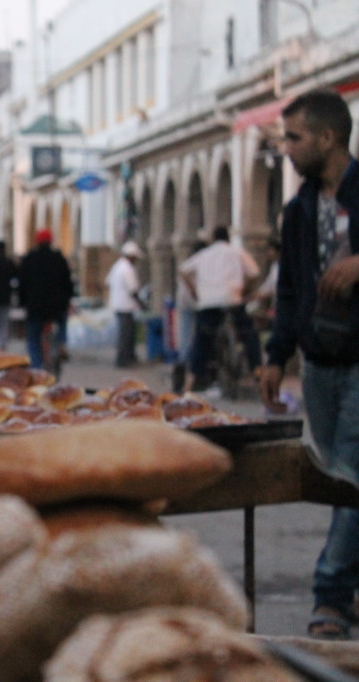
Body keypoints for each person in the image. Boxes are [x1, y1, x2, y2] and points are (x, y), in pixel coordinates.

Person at [257, 88, 359, 641]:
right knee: (338, 483)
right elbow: (291, 289)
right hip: (319, 363)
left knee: (350, 470)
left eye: (294, 138)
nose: (287, 149)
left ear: (327, 137)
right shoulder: (297, 209)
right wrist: (275, 356)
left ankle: (330, 600)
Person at [178, 225, 262, 393]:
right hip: (232, 300)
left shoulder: (204, 254)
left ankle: (189, 382)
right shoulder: (236, 252)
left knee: (201, 340)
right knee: (248, 335)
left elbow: (183, 270)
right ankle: (258, 373)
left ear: (213, 239)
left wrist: (194, 290)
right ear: (228, 238)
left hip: (207, 303)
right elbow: (254, 273)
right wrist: (246, 290)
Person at [17, 229, 74, 368]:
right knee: (62, 320)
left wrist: (22, 302)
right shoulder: (58, 258)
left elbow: (22, 283)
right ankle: (61, 342)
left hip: (35, 306)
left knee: (33, 338)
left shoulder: (29, 258)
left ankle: (36, 367)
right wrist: (68, 299)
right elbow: (67, 282)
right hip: (56, 306)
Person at [172, 239, 208, 393]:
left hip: (188, 303)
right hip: (192, 304)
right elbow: (183, 272)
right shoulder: (200, 260)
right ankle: (184, 379)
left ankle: (183, 379)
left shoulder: (193, 261)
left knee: (186, 340)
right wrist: (195, 291)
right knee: (190, 341)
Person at [105, 241, 146, 368]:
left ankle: (128, 356)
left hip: (119, 304)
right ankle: (122, 359)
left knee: (127, 333)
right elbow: (133, 289)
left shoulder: (117, 266)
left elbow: (108, 282)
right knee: (125, 334)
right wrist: (141, 304)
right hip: (125, 306)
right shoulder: (127, 269)